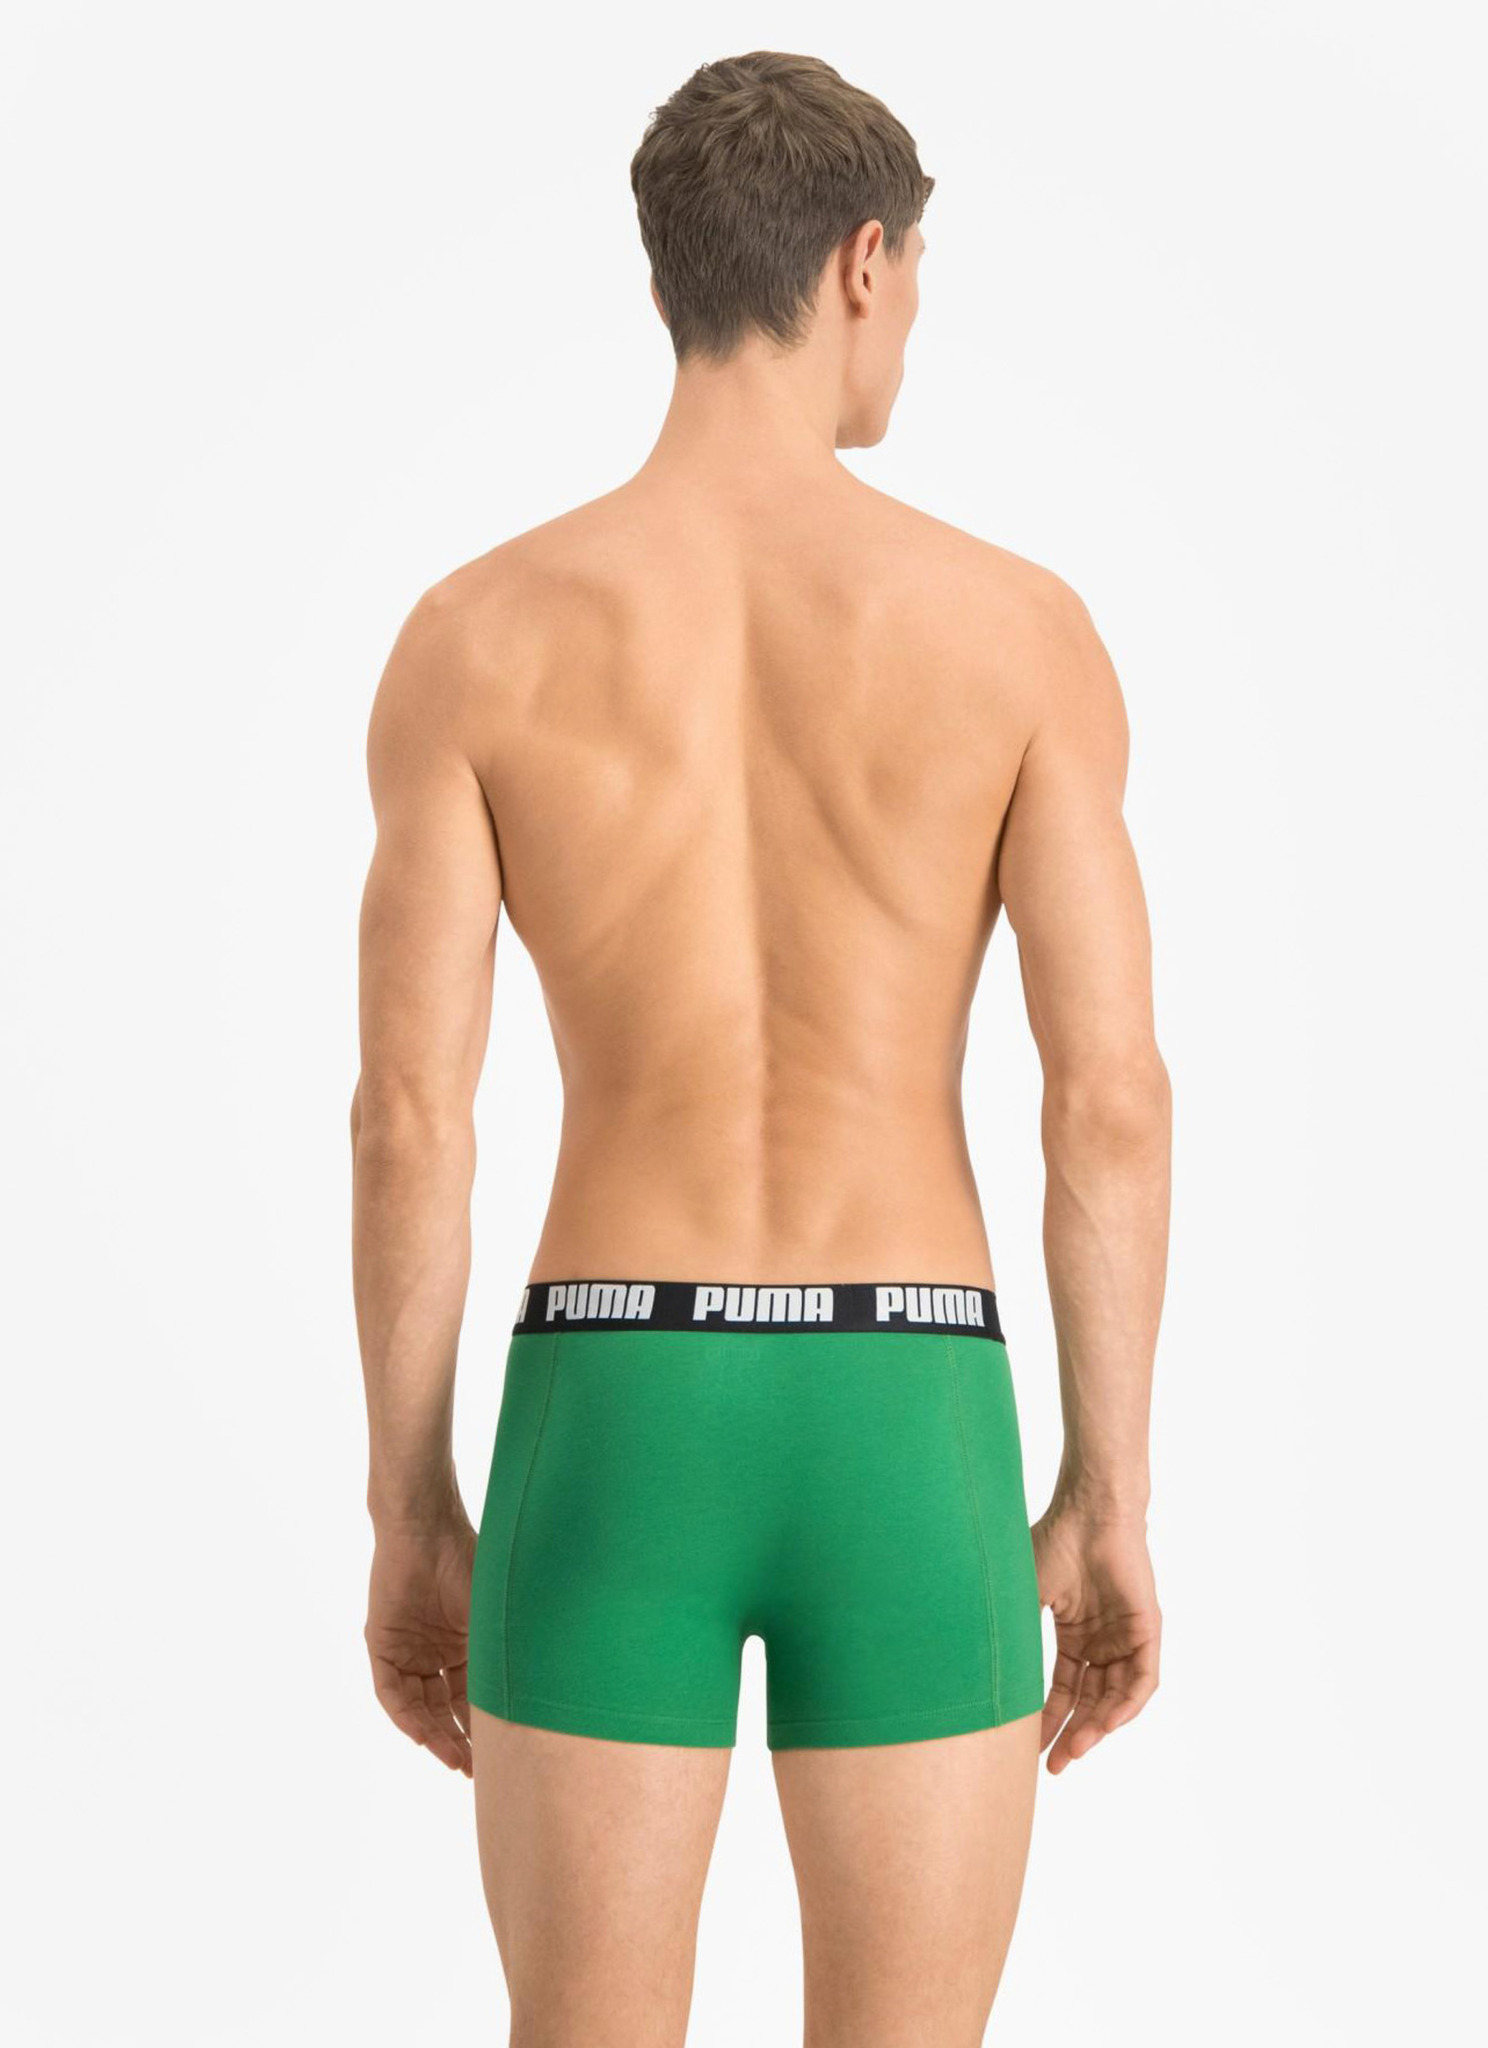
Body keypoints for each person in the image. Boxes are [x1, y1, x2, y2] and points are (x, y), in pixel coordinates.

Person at [352, 49, 1170, 2048]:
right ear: (864, 264)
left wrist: (411, 1502)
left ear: (670, 279)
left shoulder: (476, 633)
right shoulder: (1015, 629)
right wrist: (1106, 1484)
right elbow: (1107, 1104)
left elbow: (410, 1122)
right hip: (908, 1399)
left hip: (613, 1402)